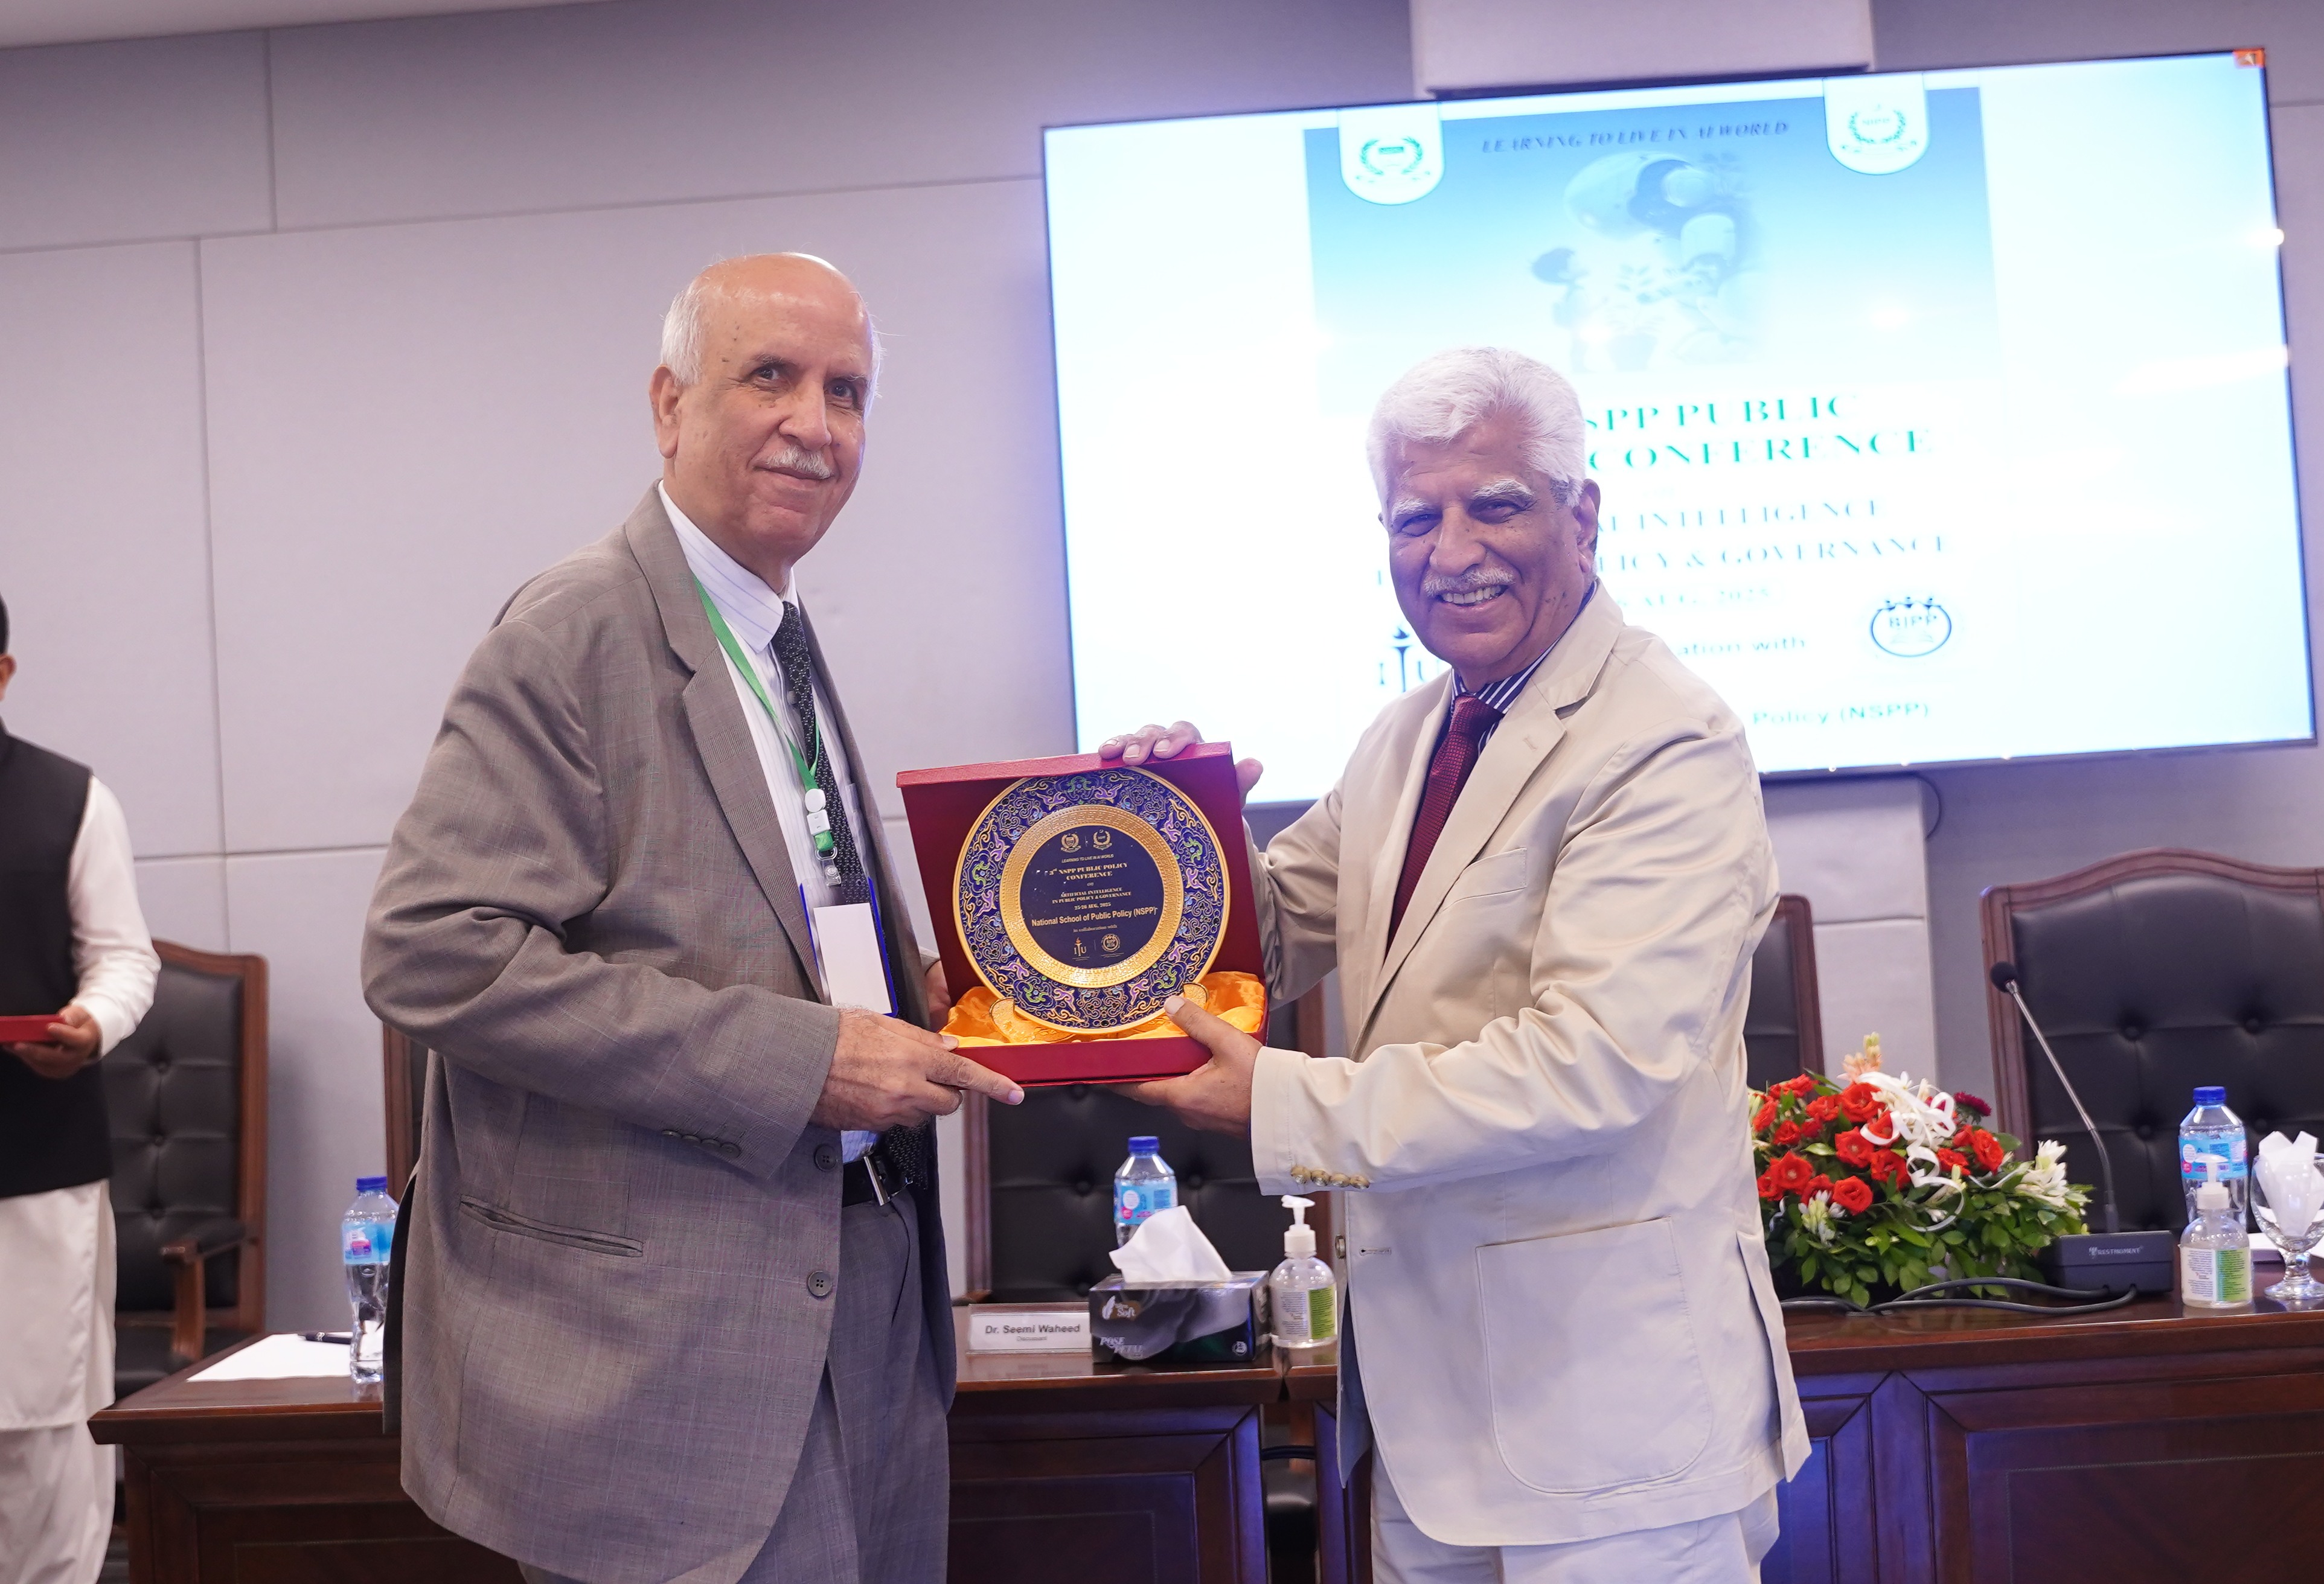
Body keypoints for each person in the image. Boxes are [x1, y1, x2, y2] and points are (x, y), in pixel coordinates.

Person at [362, 254, 1021, 1584]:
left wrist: (1046, 941)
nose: (814, 423)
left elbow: (779, 930)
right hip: (673, 1364)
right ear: (669, 404)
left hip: (868, 1301)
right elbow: (432, 953)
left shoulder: (775, 631)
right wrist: (800, 1062)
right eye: (769, 376)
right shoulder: (575, 631)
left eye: (847, 390)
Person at [1103, 346, 1807, 1582]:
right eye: (1414, 518)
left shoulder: (1666, 738)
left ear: (1582, 516)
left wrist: (1279, 1103)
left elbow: (1592, 1067)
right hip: (1428, 1428)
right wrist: (1169, 837)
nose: (1452, 550)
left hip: (1606, 1432)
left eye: (1496, 504)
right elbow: (1272, 935)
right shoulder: (1410, 733)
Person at [0, 592, 161, 1584]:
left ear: (2, 676)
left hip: (32, 1173)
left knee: (40, 1439)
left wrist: (91, 1024)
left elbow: (124, 960)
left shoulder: (71, 800)